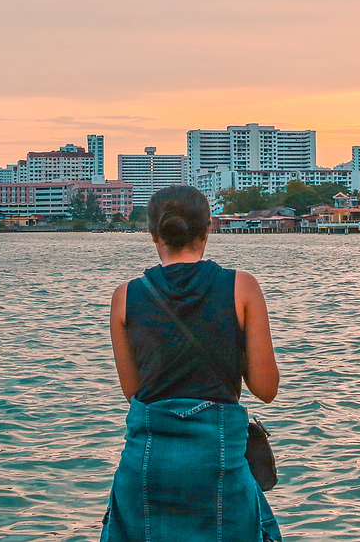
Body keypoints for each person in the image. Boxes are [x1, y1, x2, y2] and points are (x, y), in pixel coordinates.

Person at [101, 185, 282, 541]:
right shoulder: (242, 287)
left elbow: (134, 392)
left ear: (153, 234)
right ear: (208, 227)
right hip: (217, 462)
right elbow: (266, 389)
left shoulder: (124, 297)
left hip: (146, 464)